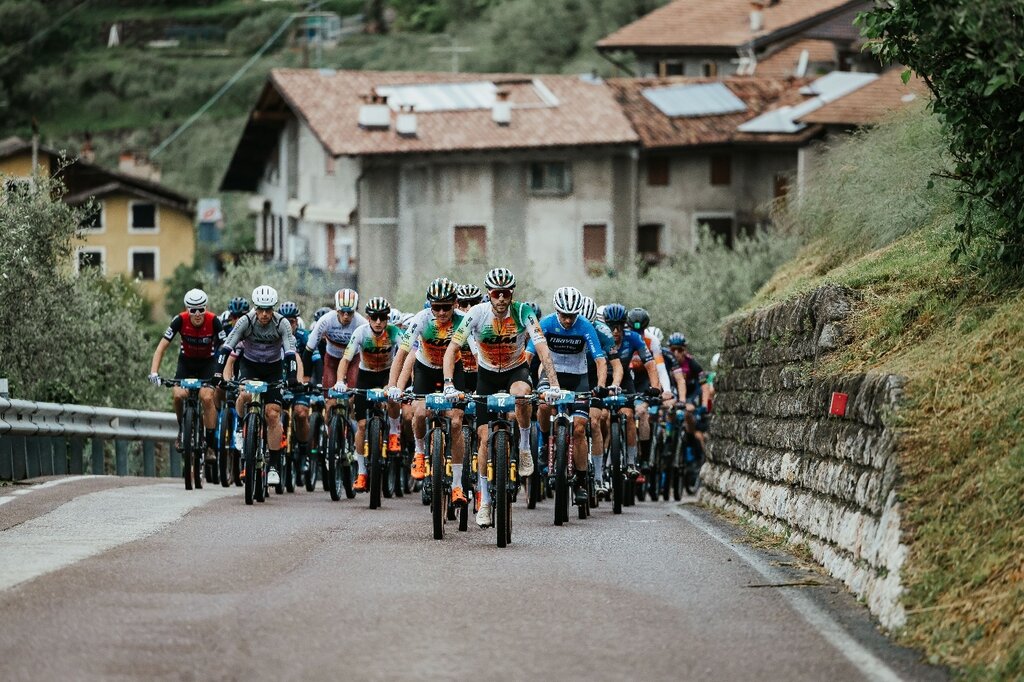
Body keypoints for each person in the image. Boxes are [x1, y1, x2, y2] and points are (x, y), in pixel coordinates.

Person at [444, 267, 558, 528]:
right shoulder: (476, 314)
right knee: (484, 438)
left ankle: (525, 447)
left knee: (522, 394)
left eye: (506, 293)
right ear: (489, 294)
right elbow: (452, 349)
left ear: (511, 294)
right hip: (486, 376)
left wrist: (553, 384)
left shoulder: (522, 313)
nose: (501, 298)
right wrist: (449, 383)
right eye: (496, 293)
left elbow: (542, 348)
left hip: (514, 371)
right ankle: (484, 502)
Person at [526, 286, 608, 508]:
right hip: (550, 374)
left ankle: (581, 481)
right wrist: (525, 380)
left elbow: (600, 359)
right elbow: (529, 353)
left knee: (580, 427)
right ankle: (544, 445)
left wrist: (600, 385)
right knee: (543, 406)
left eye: (572, 316)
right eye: (564, 315)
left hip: (577, 377)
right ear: (556, 311)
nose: (568, 320)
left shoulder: (585, 326)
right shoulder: (547, 324)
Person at [388, 278, 468, 504]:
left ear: (455, 303)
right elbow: (402, 354)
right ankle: (420, 452)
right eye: (436, 307)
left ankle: (457, 484)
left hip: (455, 370)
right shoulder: (421, 319)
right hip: (425, 369)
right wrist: (394, 386)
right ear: (430, 305)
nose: (441, 312)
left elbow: (478, 354)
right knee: (420, 413)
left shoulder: (463, 321)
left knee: (455, 421)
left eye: (446, 306)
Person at [213, 285, 298, 487]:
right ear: (255, 307)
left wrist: (292, 376)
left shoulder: (282, 324)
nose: (265, 314)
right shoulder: (246, 321)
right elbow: (227, 347)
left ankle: (275, 467)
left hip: (273, 369)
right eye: (261, 309)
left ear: (273, 309)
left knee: (273, 414)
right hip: (250, 366)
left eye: (269, 309)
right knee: (243, 395)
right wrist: (218, 372)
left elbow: (290, 353)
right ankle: (241, 430)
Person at [337, 297, 404, 492]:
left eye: (382, 317)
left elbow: (407, 354)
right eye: (374, 317)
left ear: (387, 318)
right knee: (362, 425)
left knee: (393, 397)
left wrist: (400, 384)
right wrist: (341, 381)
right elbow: (346, 359)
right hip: (365, 377)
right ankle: (362, 472)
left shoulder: (394, 332)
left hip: (386, 375)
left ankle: (393, 432)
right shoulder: (360, 333)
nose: (378, 322)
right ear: (368, 318)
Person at [149, 288, 225, 460]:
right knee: (178, 395)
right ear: (186, 309)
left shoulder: (214, 321)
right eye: (193, 310)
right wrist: (154, 372)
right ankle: (182, 430)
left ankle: (211, 444)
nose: (197, 314)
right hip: (186, 363)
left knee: (206, 397)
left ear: (206, 308)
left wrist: (223, 373)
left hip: (208, 363)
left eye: (201, 309)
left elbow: (226, 348)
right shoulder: (179, 320)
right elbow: (161, 347)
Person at [602, 304, 658, 478]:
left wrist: (655, 386)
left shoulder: (633, 338)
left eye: (619, 326)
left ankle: (632, 460)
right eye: (612, 326)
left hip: (625, 379)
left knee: (628, 415)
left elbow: (650, 363)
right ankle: (601, 452)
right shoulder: (600, 336)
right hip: (603, 378)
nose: (616, 331)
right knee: (603, 416)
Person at [579, 295, 622, 494]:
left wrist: (608, 385)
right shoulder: (570, 327)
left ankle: (597, 477)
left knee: (595, 422)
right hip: (574, 373)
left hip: (596, 375)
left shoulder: (604, 332)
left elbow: (615, 365)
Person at [303, 288, 366, 395]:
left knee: (353, 396)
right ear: (336, 309)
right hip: (332, 359)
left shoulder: (361, 323)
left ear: (355, 310)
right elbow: (309, 349)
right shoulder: (326, 320)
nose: (346, 316)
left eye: (350, 312)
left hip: (353, 360)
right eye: (342, 312)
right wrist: (306, 376)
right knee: (329, 399)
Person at [279, 302, 312, 483]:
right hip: (281, 381)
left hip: (299, 382)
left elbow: (315, 360)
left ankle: (303, 450)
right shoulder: (275, 335)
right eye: (285, 321)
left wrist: (309, 381)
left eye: (292, 322)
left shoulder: (304, 337)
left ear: (296, 322)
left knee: (300, 413)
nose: (289, 326)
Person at [456, 283, 483, 395]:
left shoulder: (487, 322)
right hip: (459, 374)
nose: (469, 308)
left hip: (482, 373)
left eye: (473, 303)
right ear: (457, 305)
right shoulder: (452, 324)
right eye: (464, 304)